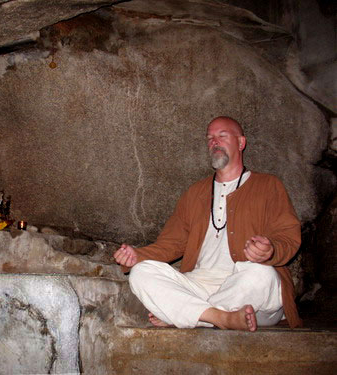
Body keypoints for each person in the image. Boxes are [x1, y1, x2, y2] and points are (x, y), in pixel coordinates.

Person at [114, 116, 302, 331]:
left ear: (241, 143)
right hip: (200, 285)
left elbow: (288, 235)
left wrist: (270, 250)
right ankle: (219, 317)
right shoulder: (195, 193)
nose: (214, 142)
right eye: (210, 138)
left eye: (222, 136)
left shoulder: (268, 185)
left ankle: (187, 314)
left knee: (261, 274)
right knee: (141, 272)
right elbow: (171, 243)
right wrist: (137, 256)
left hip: (248, 291)